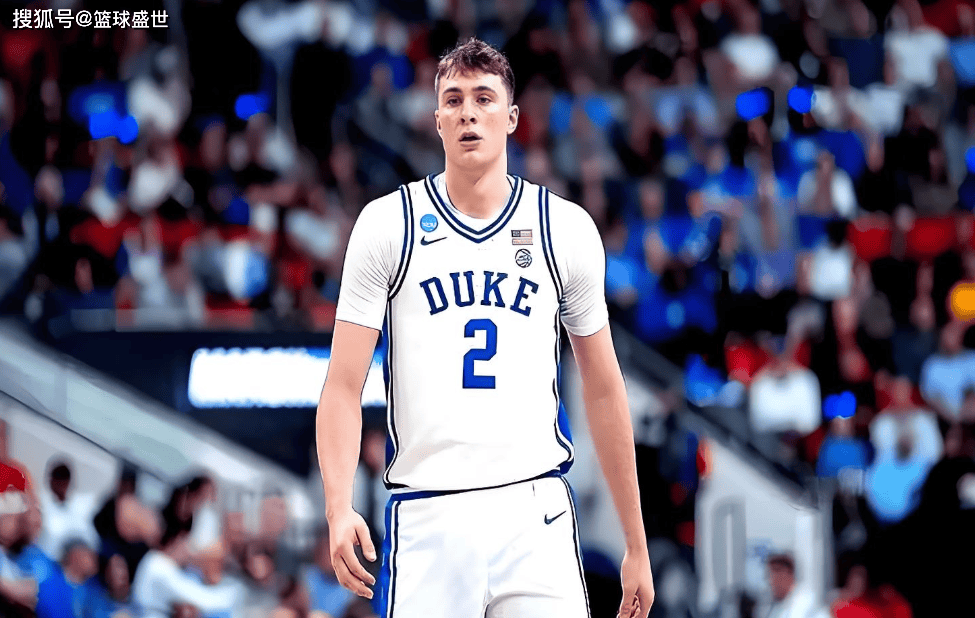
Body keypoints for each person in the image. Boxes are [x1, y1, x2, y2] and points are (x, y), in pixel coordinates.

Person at [315, 38, 654, 618]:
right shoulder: (388, 224)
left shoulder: (564, 228)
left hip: (534, 508)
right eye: (453, 100)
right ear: (437, 120)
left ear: (513, 117)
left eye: (483, 98)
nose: (468, 112)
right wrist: (337, 506)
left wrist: (636, 542)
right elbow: (343, 385)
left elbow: (603, 387)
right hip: (429, 511)